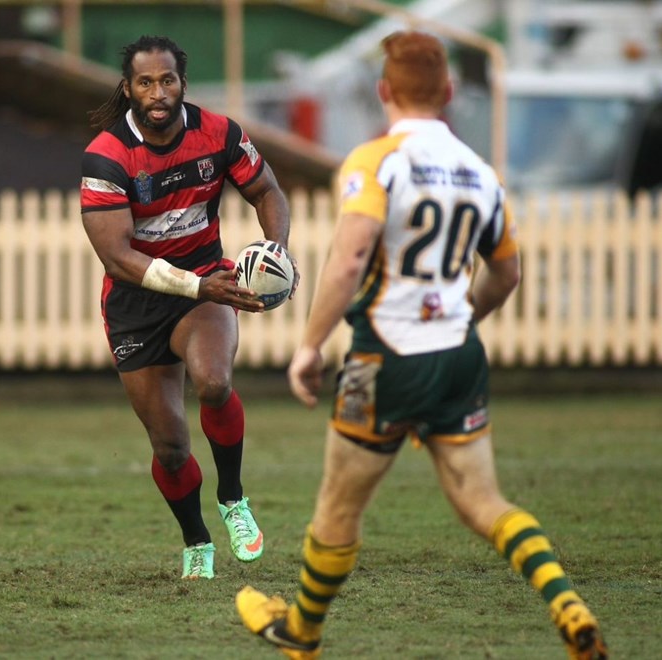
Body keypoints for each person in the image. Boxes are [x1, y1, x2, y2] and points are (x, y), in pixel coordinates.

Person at [235, 31, 607, 660]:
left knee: (338, 506)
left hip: (384, 357)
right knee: (484, 502)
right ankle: (568, 606)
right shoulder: (481, 174)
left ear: (384, 91)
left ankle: (302, 633)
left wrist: (310, 345)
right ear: (450, 92)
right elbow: (506, 274)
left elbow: (350, 257)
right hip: (459, 355)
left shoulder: (375, 161)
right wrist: (460, 321)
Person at [80, 35, 296, 580]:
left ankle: (233, 499)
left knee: (214, 381)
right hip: (137, 302)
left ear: (182, 83)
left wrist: (276, 252)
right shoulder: (106, 156)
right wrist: (199, 288)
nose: (157, 92)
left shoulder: (219, 134)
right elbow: (117, 258)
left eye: (167, 80)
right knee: (171, 447)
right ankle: (196, 540)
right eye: (145, 82)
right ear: (128, 88)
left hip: (206, 285)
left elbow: (268, 192)